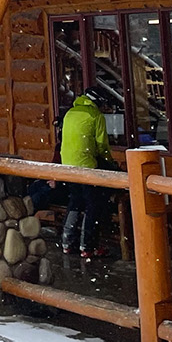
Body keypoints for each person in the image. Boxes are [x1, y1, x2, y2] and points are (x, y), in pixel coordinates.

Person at [59, 84, 110, 259]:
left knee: (75, 202)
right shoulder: (95, 115)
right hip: (87, 166)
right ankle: (88, 246)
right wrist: (109, 162)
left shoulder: (70, 114)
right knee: (92, 206)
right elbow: (102, 145)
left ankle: (67, 242)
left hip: (68, 166)